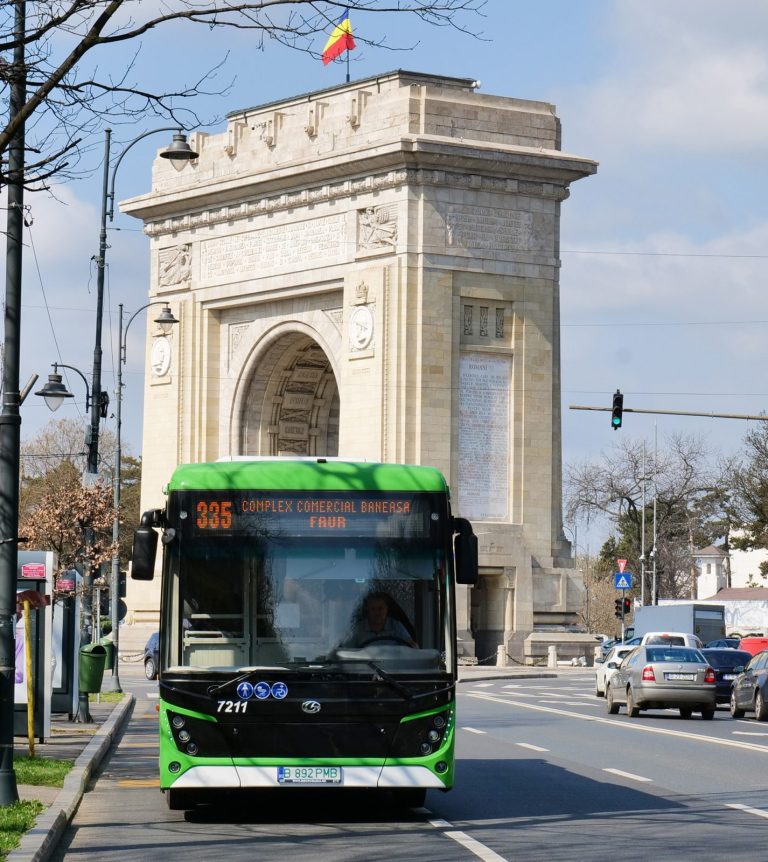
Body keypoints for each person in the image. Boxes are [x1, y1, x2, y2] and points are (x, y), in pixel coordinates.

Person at [346, 592, 417, 648]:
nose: (377, 613)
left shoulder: (396, 626)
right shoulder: (358, 628)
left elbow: (411, 646)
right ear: (367, 611)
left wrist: (413, 646)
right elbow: (347, 651)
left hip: (392, 665)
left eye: (380, 608)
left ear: (387, 609)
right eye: (373, 609)